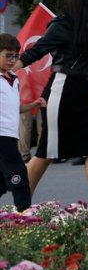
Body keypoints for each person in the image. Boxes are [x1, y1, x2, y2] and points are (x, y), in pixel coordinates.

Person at [16, 0, 88, 205]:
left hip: (83, 92)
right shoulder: (62, 24)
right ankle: (20, 207)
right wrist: (11, 67)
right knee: (45, 153)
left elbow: (79, 57)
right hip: (63, 91)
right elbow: (36, 51)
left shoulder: (86, 29)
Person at [0, 34, 46, 211]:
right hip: (1, 136)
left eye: (15, 56)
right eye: (7, 56)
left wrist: (32, 105)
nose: (12, 60)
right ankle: (24, 216)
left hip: (11, 135)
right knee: (19, 175)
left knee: (3, 181)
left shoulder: (14, 79)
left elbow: (14, 107)